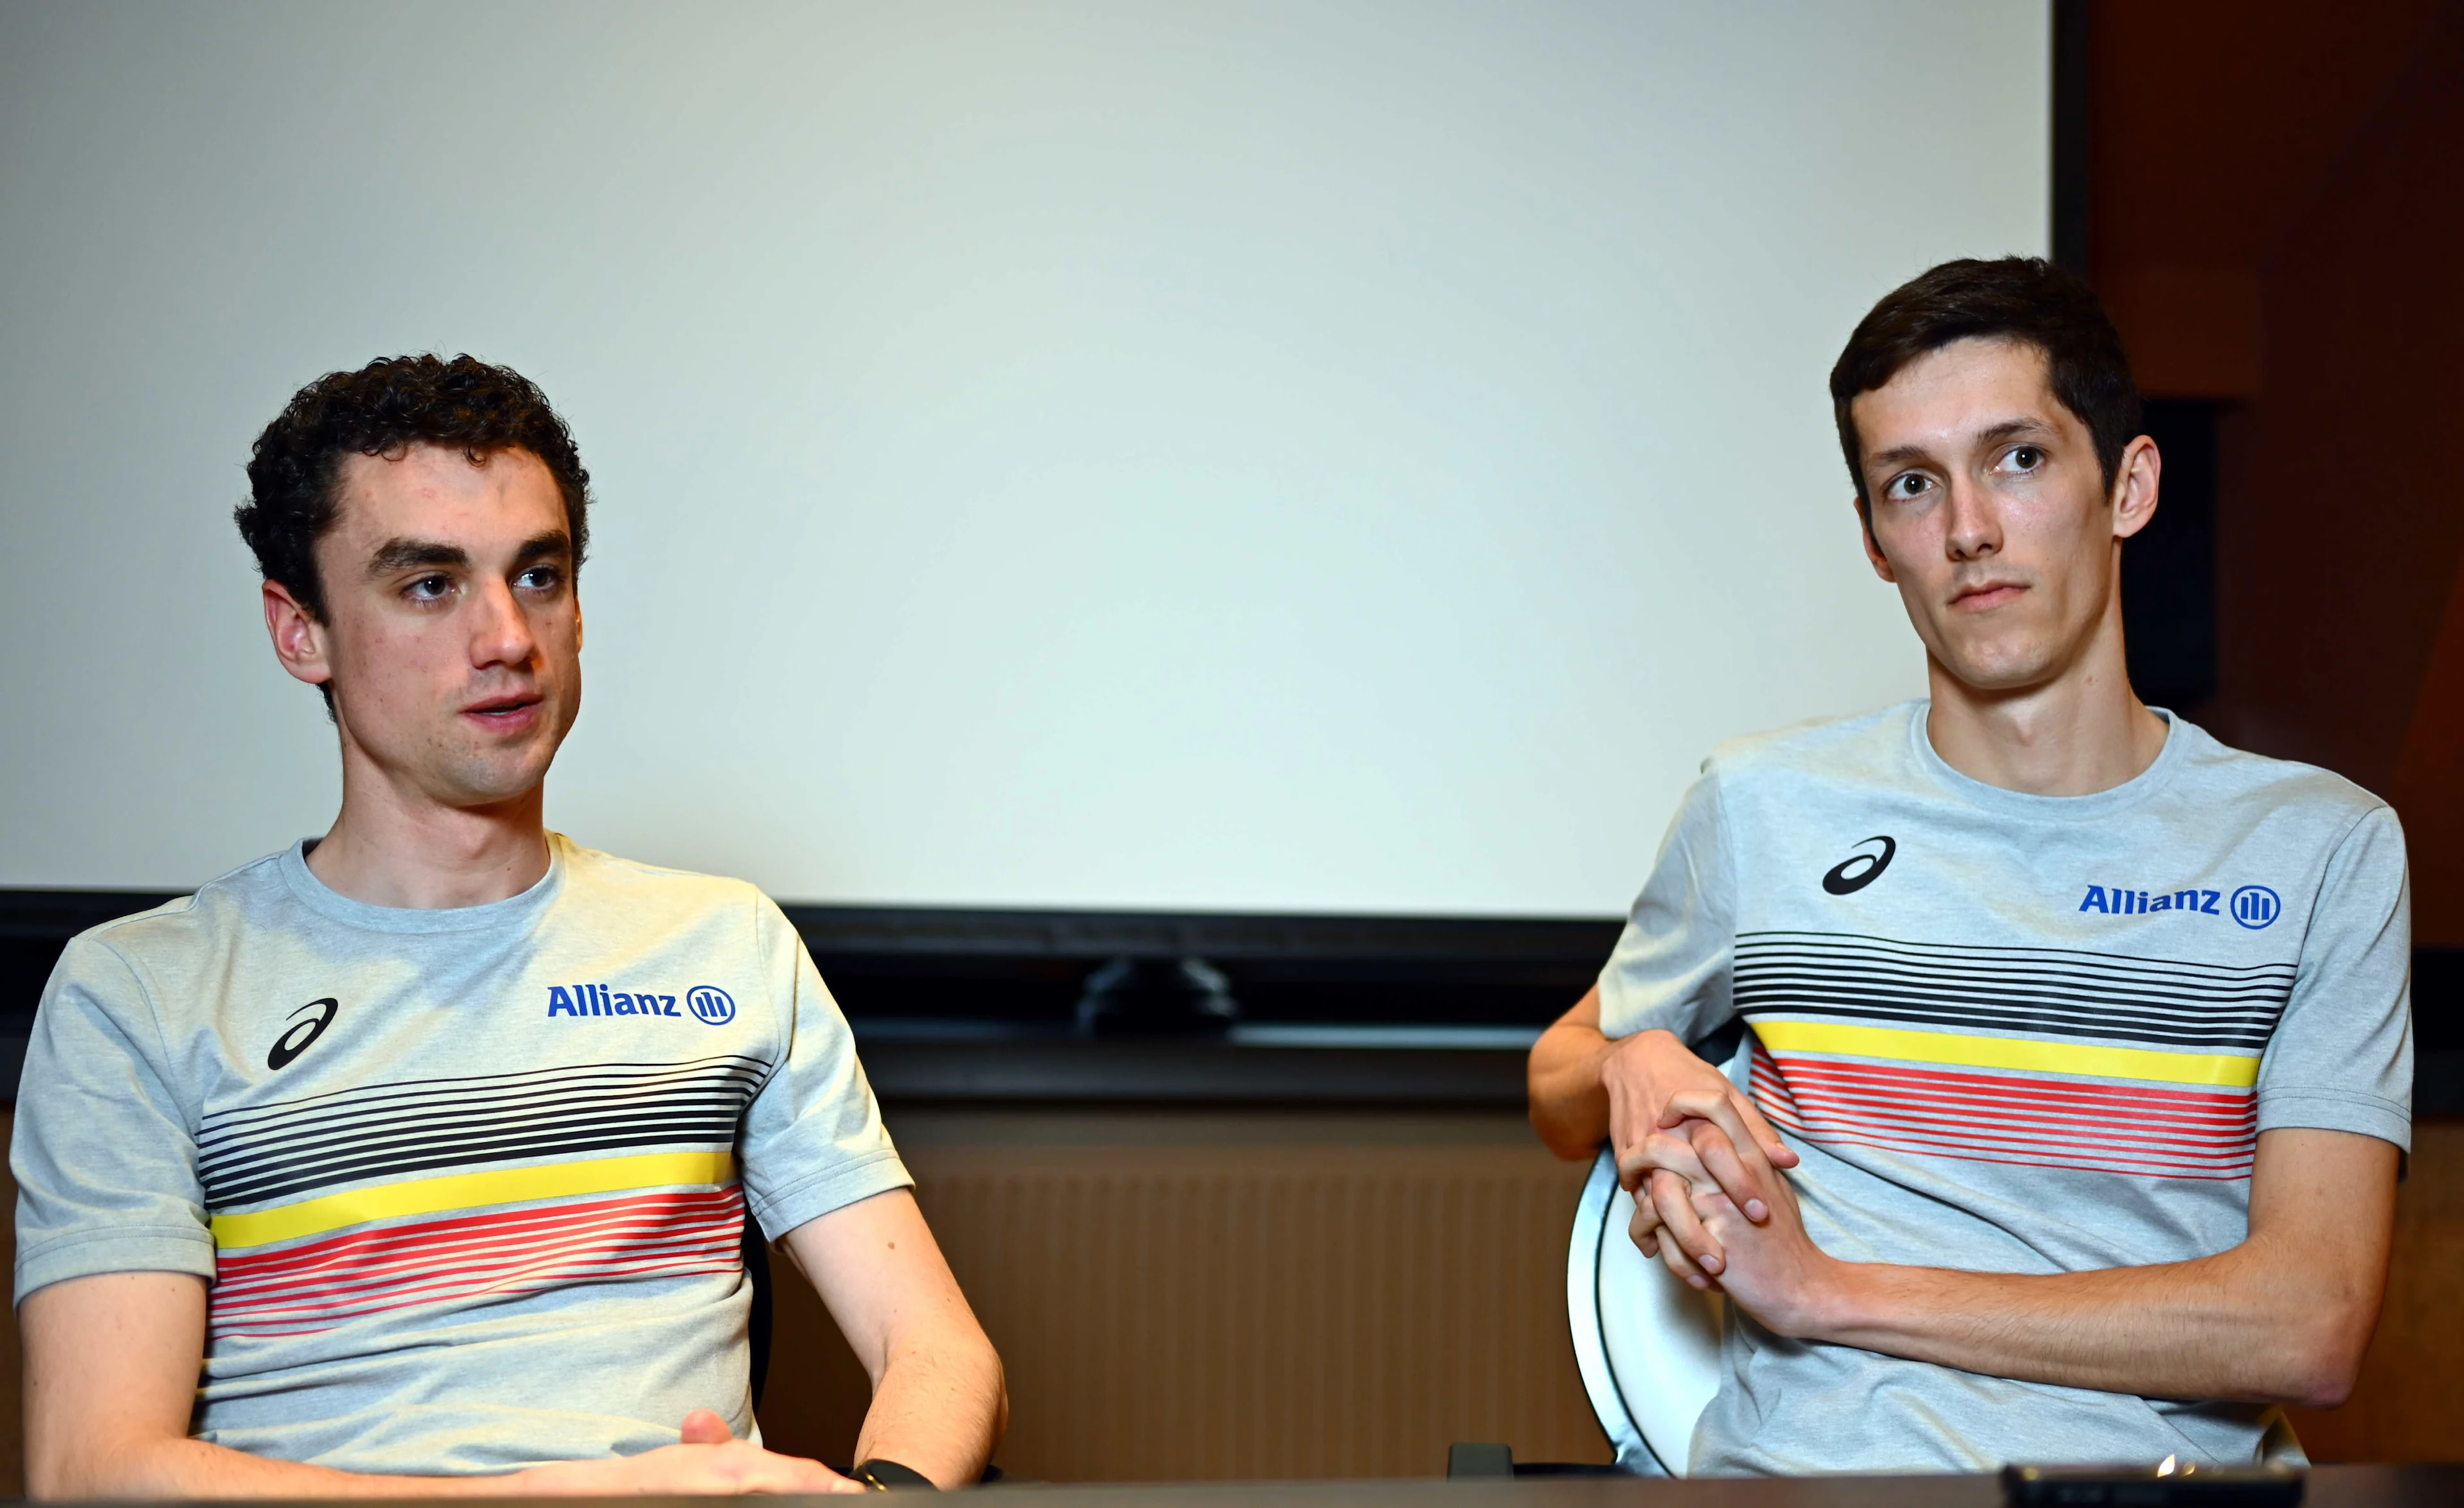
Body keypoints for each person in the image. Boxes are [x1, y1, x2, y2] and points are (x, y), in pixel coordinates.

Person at [13, 356, 1007, 1496]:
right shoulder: (138, 995)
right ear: (301, 633)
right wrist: (594, 1494)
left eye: (538, 575)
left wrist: (885, 1501)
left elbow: (939, 1351)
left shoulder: (727, 945)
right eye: (430, 584)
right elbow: (93, 1472)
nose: (506, 638)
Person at [1528, 258, 2409, 1475]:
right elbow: (1558, 1079)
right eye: (1911, 484)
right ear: (1877, 541)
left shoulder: (2324, 848)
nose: (1970, 530)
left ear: (2130, 485)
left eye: (2020, 458)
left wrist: (1829, 1292)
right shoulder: (1761, 806)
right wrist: (1630, 1056)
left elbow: (2311, 1323)